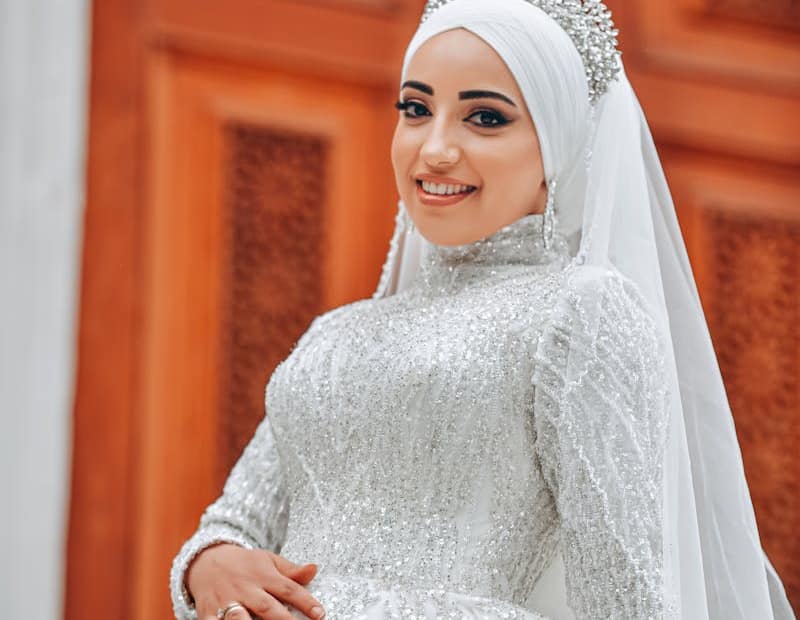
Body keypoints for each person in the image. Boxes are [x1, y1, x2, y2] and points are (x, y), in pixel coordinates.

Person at [170, 1, 796, 619]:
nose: (435, 148)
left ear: (559, 148)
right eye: (416, 109)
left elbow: (627, 606)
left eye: (485, 118)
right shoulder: (334, 337)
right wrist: (209, 563)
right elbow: (235, 523)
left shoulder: (579, 314)